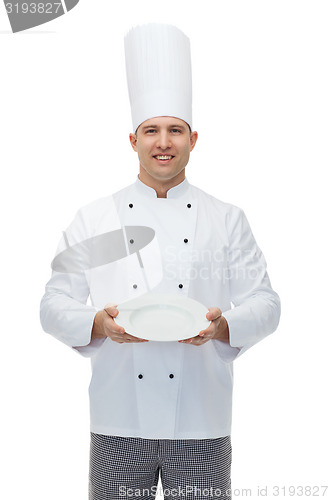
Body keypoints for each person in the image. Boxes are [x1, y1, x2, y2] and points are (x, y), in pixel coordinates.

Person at [40, 23, 281, 500]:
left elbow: (266, 303)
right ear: (133, 140)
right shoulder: (97, 218)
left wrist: (223, 326)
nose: (163, 142)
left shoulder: (225, 218)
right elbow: (52, 303)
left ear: (194, 138)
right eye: (152, 131)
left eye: (175, 130)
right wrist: (96, 322)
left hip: (201, 420)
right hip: (117, 418)